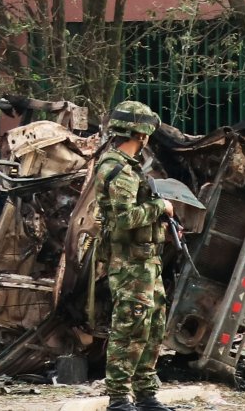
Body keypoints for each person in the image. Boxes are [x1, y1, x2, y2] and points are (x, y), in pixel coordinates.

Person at [94, 101, 174, 411]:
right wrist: (161, 208)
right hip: (129, 264)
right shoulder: (119, 169)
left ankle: (145, 394)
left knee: (152, 326)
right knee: (129, 327)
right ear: (142, 133)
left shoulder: (128, 166)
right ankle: (118, 398)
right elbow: (124, 219)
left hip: (146, 261)